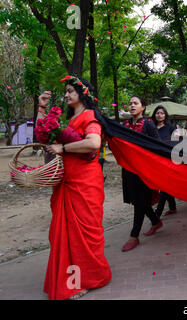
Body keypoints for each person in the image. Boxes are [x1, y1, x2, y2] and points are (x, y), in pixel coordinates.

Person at [39, 76, 111, 300]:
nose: (67, 95)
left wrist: (63, 147)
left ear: (83, 94)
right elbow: (43, 132)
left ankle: (88, 279)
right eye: (66, 91)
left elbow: (93, 143)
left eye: (70, 91)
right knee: (67, 233)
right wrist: (41, 106)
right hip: (68, 181)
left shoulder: (89, 116)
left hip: (85, 183)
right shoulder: (70, 120)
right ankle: (72, 279)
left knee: (84, 234)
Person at [121, 96, 163, 252]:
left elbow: (156, 144)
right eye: (130, 103)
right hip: (128, 168)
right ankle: (155, 221)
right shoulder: (124, 125)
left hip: (143, 170)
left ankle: (134, 236)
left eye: (135, 103)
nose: (132, 105)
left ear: (143, 107)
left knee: (139, 201)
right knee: (137, 200)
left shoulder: (149, 125)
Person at [151, 105, 178, 217]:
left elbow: (176, 143)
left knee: (164, 186)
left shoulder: (171, 128)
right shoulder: (151, 127)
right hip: (154, 160)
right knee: (163, 185)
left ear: (165, 115)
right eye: (157, 113)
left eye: (162, 113)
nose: (159, 115)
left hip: (167, 160)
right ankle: (172, 207)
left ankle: (157, 215)